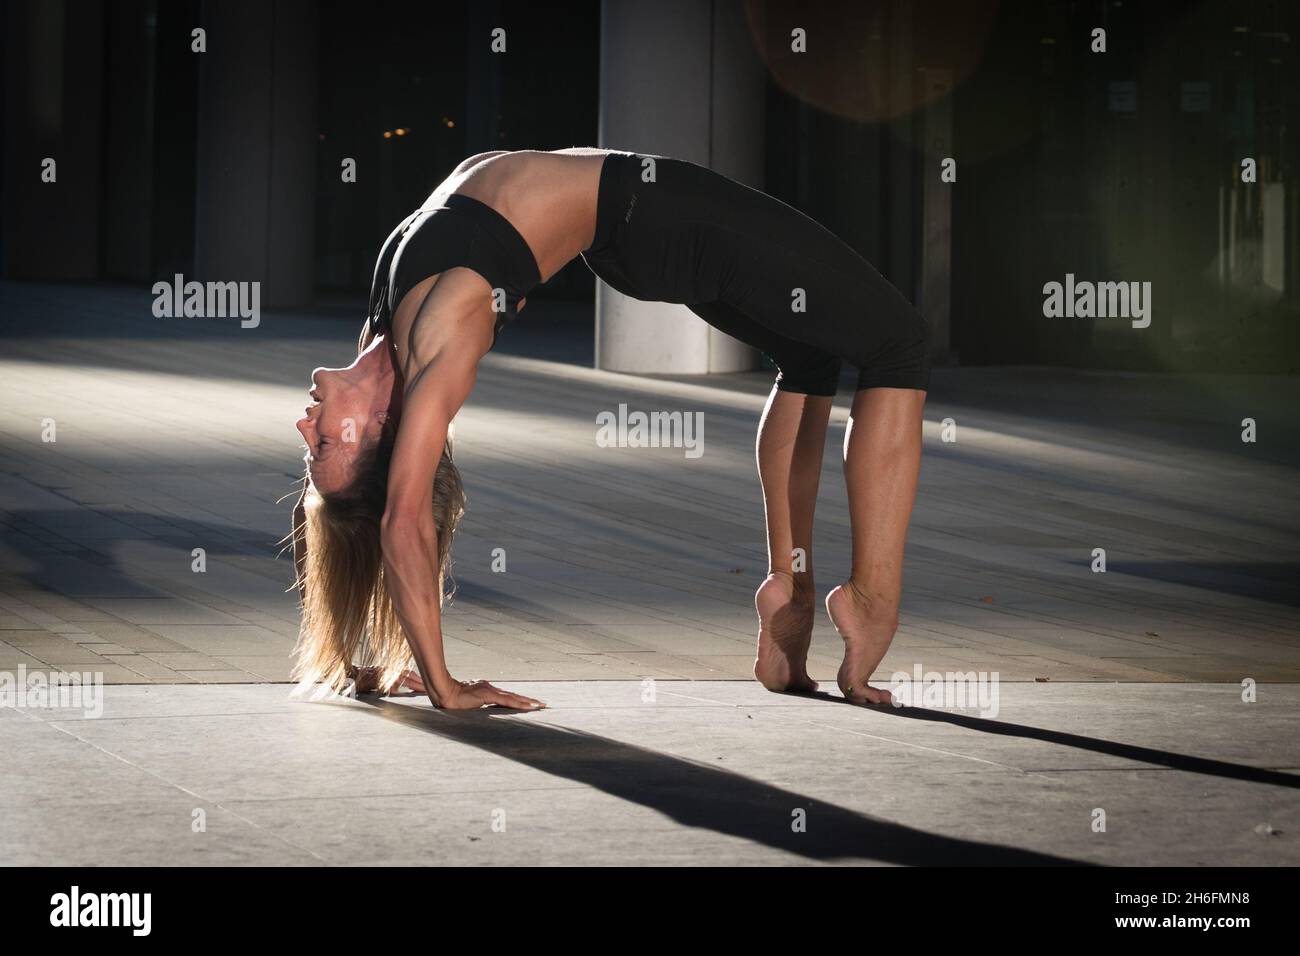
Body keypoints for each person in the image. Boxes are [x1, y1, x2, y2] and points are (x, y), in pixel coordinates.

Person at [291, 148, 929, 710]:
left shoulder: (382, 334)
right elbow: (402, 523)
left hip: (635, 236)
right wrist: (444, 685)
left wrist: (358, 655)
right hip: (660, 220)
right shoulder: (438, 344)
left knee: (808, 354)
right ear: (381, 429)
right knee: (898, 346)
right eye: (324, 444)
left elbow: (362, 534)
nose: (303, 422)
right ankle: (874, 598)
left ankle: (791, 588)